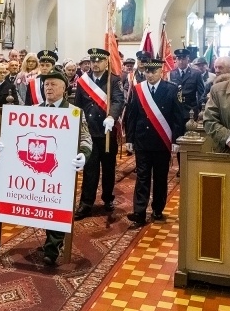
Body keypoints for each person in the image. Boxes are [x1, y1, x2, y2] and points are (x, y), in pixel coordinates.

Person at [0, 68, 91, 266]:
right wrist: (3, 144)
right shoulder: (35, 110)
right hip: (36, 169)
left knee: (57, 205)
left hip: (60, 169)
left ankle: (52, 247)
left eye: (53, 84)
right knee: (42, 205)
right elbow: (18, 134)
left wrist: (83, 154)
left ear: (64, 88)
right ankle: (50, 242)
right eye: (46, 84)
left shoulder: (73, 112)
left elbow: (85, 138)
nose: (48, 87)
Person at [124, 53, 187, 225]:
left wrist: (176, 140)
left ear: (161, 71)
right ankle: (139, 211)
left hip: (162, 141)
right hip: (142, 140)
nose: (149, 74)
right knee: (142, 177)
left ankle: (158, 209)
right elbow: (132, 115)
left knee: (160, 177)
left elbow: (178, 118)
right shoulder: (138, 90)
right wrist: (129, 138)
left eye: (153, 71)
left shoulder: (172, 89)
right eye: (147, 71)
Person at [74, 47, 125, 219]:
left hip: (106, 131)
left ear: (106, 62)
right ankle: (86, 203)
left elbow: (119, 100)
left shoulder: (114, 80)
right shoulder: (83, 81)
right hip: (89, 131)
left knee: (108, 168)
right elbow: (78, 105)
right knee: (90, 169)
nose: (95, 64)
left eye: (99, 61)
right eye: (93, 61)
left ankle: (107, 198)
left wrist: (111, 116)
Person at [169, 48, 205, 115]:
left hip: (191, 109)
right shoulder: (172, 74)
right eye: (179, 59)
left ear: (188, 59)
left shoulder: (196, 74)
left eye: (183, 59)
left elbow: (201, 94)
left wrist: (201, 110)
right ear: (176, 60)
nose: (181, 62)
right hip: (176, 109)